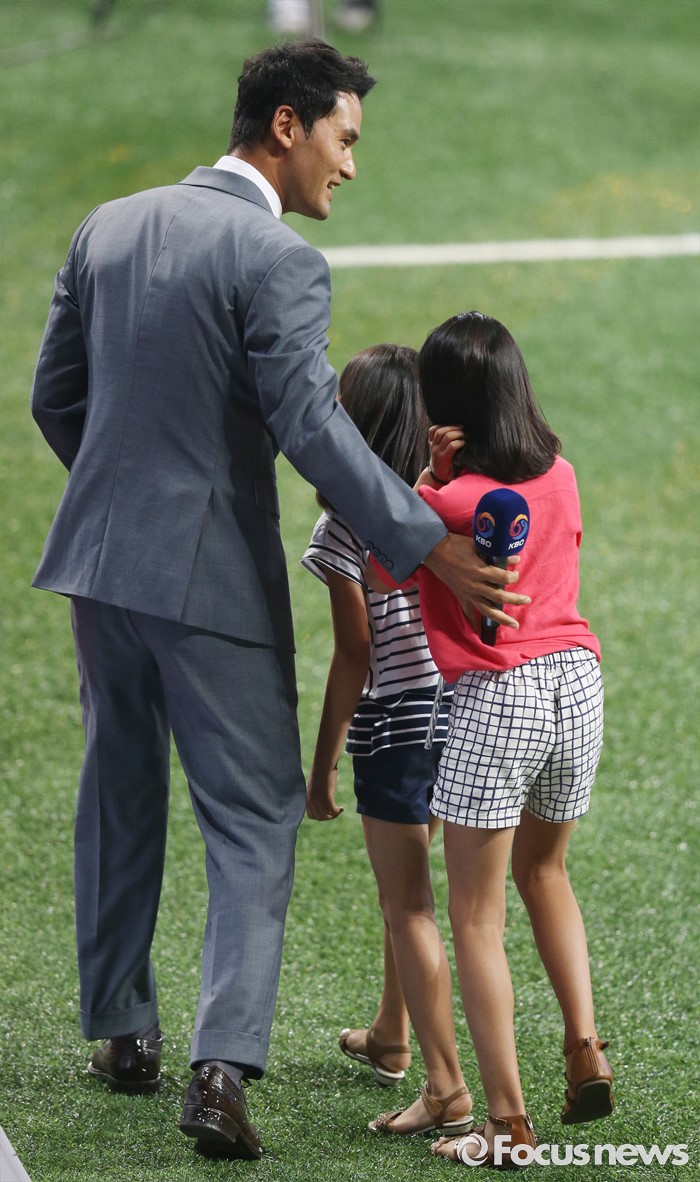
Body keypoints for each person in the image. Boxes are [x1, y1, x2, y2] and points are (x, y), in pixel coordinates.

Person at [30, 43, 528, 1161]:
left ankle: (123, 1032)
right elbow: (313, 428)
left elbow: (55, 398)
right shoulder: (279, 258)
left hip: (99, 568)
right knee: (255, 815)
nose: (350, 165)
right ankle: (219, 1071)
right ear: (288, 127)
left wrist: (123, 499)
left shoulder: (107, 225)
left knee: (117, 789)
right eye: (345, 139)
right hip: (209, 576)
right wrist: (427, 547)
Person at [371, 312, 614, 1168]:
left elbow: (386, 560)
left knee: (476, 918)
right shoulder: (564, 475)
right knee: (547, 873)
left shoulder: (441, 500)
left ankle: (507, 1124)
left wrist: (431, 476)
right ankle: (585, 1047)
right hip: (578, 685)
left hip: (499, 698)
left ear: (443, 406)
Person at [302, 344, 472, 1137]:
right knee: (411, 893)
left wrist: (322, 764)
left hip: (395, 729)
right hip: (456, 714)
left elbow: (355, 654)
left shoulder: (344, 525)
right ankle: (390, 1035)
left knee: (408, 905)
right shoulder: (441, 504)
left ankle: (447, 1086)